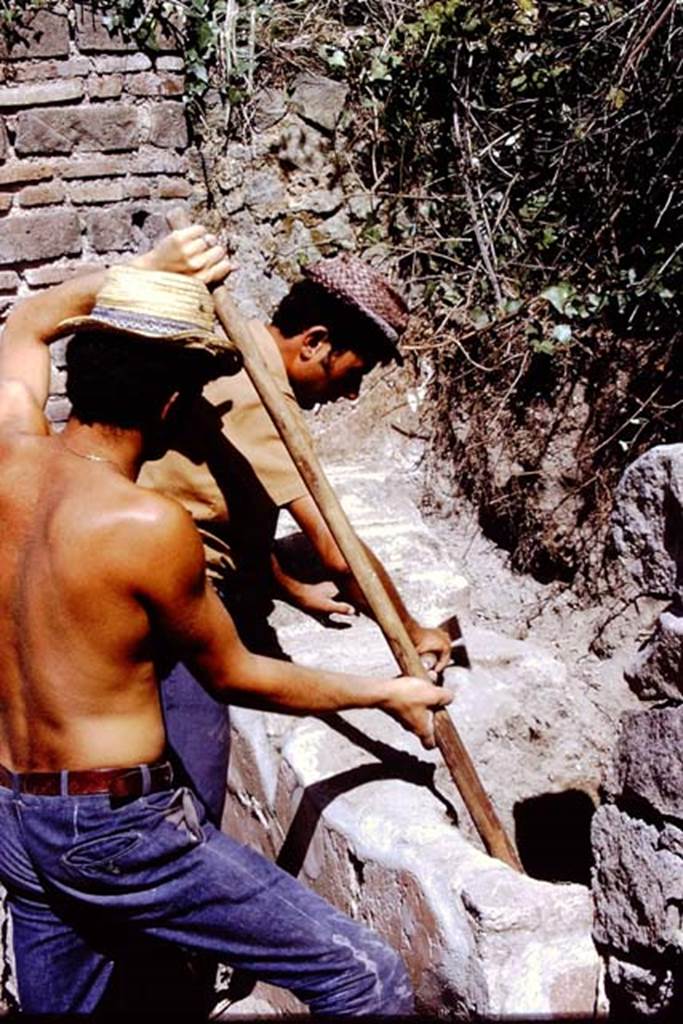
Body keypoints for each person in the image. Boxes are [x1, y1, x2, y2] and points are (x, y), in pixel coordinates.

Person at [0, 238, 452, 1015]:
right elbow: (237, 673)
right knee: (365, 977)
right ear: (173, 406)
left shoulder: (8, 452)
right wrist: (384, 692)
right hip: (116, 830)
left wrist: (142, 269)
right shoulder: (145, 525)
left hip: (15, 812)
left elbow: (29, 320)